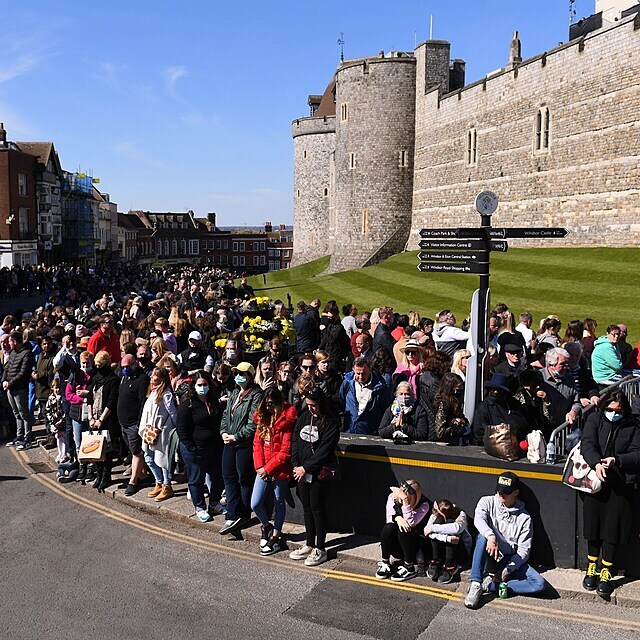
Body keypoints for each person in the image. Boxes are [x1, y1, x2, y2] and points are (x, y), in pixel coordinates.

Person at [579, 389, 640, 597]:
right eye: (610, 409)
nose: (614, 413)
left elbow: (637, 454)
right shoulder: (595, 419)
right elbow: (587, 444)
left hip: (620, 484)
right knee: (593, 527)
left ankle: (606, 570)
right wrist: (596, 463)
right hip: (596, 482)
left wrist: (617, 460)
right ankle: (592, 567)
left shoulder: (633, 425)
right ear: (604, 407)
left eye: (618, 410)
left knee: (613, 529)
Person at [464, 472, 545, 609]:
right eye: (499, 490)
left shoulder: (524, 518)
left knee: (539, 583)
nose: (501, 494)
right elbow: (479, 520)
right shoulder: (486, 502)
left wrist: (506, 571)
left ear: (516, 492)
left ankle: (492, 585)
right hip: (491, 556)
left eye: (506, 492)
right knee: (482, 537)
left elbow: (524, 551)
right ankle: (476, 584)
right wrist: (491, 536)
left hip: (510, 560)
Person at [290, 387, 340, 567]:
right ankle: (309, 543)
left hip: (319, 473)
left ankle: (320, 548)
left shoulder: (331, 423)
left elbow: (324, 451)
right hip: (301, 471)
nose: (310, 408)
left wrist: (306, 468)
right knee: (307, 508)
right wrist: (296, 465)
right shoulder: (305, 416)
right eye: (308, 405)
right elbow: (295, 440)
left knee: (317, 508)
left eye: (314, 405)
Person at [250, 388, 297, 555]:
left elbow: (286, 451)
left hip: (280, 470)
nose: (269, 407)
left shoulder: (287, 421)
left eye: (272, 404)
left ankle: (275, 535)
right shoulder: (262, 419)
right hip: (263, 469)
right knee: (255, 503)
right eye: (266, 404)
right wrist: (260, 468)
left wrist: (268, 468)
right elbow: (257, 445)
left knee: (279, 503)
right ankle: (266, 526)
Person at [219, 362, 263, 534]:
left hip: (243, 444)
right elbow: (225, 415)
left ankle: (243, 513)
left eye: (243, 374)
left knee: (244, 479)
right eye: (237, 373)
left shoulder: (256, 395)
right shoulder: (235, 392)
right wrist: (223, 431)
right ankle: (232, 513)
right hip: (229, 442)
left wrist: (237, 436)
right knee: (228, 477)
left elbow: (254, 422)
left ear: (251, 376)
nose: (239, 377)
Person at [177, 371, 224, 522]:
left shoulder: (213, 402)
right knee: (196, 479)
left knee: (217, 477)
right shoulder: (188, 405)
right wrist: (190, 447)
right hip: (196, 449)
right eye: (199, 385)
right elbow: (181, 428)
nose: (202, 387)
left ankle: (214, 503)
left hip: (214, 448)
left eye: (205, 384)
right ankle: (200, 507)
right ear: (194, 386)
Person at [375, 479, 430, 582]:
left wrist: (405, 502)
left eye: (408, 499)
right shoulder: (392, 497)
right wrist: (397, 518)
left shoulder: (424, 505)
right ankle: (385, 562)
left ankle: (409, 568)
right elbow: (389, 519)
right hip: (397, 548)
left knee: (405, 529)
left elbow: (411, 522)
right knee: (389, 527)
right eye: (401, 497)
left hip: (414, 549)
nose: (401, 499)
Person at [139, 367, 178, 502]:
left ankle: (167, 486)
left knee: (162, 460)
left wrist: (169, 429)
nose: (151, 378)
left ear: (162, 379)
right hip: (150, 431)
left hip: (161, 432)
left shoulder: (166, 394)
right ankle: (159, 482)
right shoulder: (153, 392)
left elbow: (173, 414)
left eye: (154, 376)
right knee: (148, 458)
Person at [116, 353, 149, 496]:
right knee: (133, 450)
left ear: (135, 364)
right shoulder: (124, 377)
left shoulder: (142, 380)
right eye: (122, 367)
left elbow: (143, 402)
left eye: (127, 367)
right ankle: (143, 475)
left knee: (137, 452)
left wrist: (139, 424)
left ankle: (133, 482)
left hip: (133, 424)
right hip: (123, 423)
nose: (124, 369)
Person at [87, 350, 120, 492]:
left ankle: (106, 476)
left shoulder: (113, 380)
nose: (97, 367)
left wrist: (101, 419)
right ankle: (98, 474)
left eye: (100, 365)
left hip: (107, 420)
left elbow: (112, 401)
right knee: (94, 449)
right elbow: (90, 398)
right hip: (93, 418)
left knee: (106, 450)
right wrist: (90, 417)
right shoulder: (95, 378)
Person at [424, 499, 472, 584]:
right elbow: (427, 531)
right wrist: (448, 539)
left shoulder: (461, 515)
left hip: (460, 551)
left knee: (449, 526)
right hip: (444, 548)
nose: (436, 514)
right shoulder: (435, 515)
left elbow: (457, 529)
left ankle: (450, 566)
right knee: (438, 523)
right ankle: (436, 561)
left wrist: (433, 529)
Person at [2, 331, 36, 449]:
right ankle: (19, 436)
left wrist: (10, 383)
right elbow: (7, 369)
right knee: (16, 413)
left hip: (20, 388)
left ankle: (27, 438)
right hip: (10, 388)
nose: (8, 343)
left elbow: (23, 373)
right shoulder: (12, 353)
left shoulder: (27, 354)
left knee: (24, 413)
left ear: (15, 342)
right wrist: (4, 381)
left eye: (10, 341)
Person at [339, 356, 388, 435]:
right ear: (353, 370)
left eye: (363, 373)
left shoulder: (380, 387)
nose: (361, 377)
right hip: (350, 430)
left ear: (370, 369)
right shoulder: (347, 383)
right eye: (358, 373)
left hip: (369, 433)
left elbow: (385, 408)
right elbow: (341, 401)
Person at [65, 350, 94, 477]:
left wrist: (88, 395)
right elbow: (68, 395)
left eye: (88, 363)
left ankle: (91, 467)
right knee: (79, 442)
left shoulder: (95, 374)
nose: (85, 365)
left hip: (92, 413)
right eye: (83, 363)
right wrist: (82, 399)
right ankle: (82, 465)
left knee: (92, 442)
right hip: (77, 413)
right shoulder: (75, 375)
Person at [432, 373, 469, 445]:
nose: (461, 389)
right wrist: (456, 422)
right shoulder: (443, 404)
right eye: (458, 386)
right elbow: (440, 432)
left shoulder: (456, 400)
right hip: (443, 444)